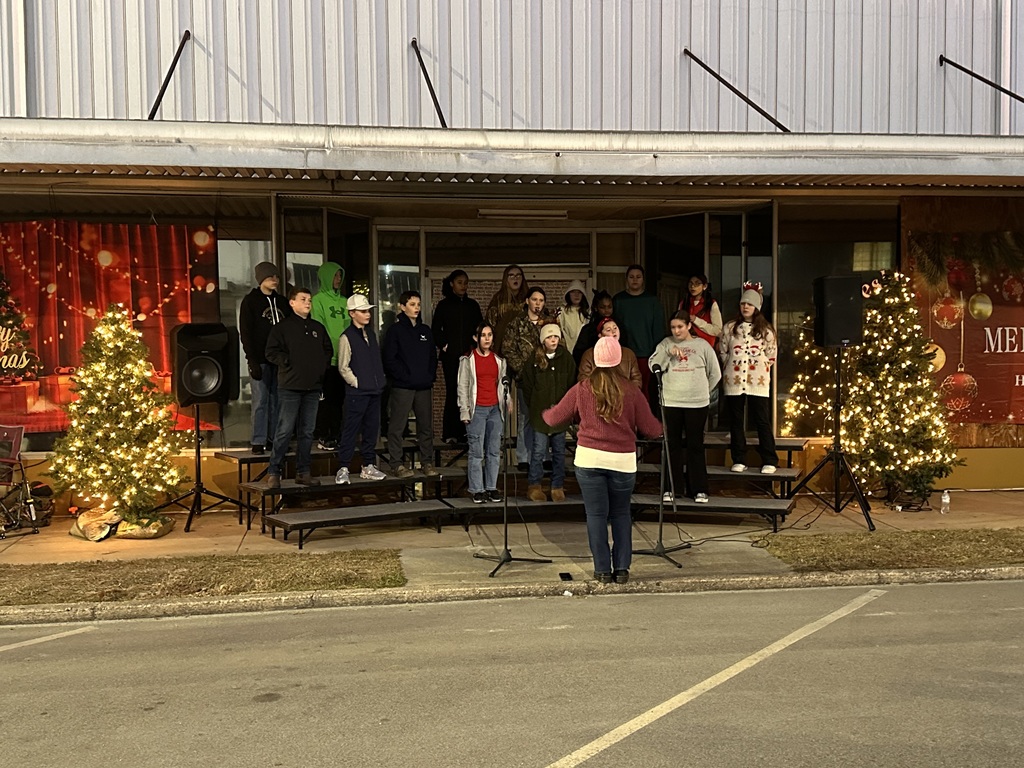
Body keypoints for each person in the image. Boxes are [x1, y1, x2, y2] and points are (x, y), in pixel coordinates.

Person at [543, 336, 663, 585]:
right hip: (622, 461)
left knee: (596, 515)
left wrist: (547, 410)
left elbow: (554, 419)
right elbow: (651, 429)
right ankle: (621, 570)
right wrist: (665, 425)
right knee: (621, 514)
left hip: (589, 459)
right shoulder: (631, 390)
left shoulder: (582, 388)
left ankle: (601, 571)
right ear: (619, 359)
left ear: (594, 360)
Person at [263, 287, 333, 488]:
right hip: (290, 386)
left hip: (312, 386)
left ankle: (303, 471)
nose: (308, 303)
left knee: (307, 431)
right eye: (303, 299)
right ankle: (274, 471)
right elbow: (270, 352)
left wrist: (320, 367)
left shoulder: (317, 327)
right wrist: (286, 362)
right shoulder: (281, 328)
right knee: (284, 430)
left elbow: (327, 350)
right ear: (292, 302)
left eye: (309, 299)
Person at [649, 310, 722, 503]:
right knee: (672, 445)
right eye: (673, 327)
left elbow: (715, 373)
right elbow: (653, 366)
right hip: (671, 401)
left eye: (680, 326)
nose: (676, 331)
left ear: (689, 326)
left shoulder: (702, 345)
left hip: (697, 403)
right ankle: (672, 488)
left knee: (695, 445)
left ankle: (699, 489)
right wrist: (667, 354)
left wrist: (702, 391)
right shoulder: (665, 344)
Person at [718, 282, 779, 474]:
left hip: (757, 381)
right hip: (734, 380)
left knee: (761, 419)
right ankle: (739, 459)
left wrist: (760, 369)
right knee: (736, 420)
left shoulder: (766, 331)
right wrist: (730, 365)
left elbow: (771, 355)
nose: (746, 307)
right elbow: (723, 351)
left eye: (750, 304)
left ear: (757, 308)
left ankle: (769, 459)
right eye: (743, 303)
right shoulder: (729, 328)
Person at [381, 290, 438, 477]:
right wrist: (404, 376)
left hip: (423, 386)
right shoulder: (395, 331)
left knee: (426, 427)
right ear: (402, 306)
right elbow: (390, 359)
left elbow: (432, 357)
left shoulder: (425, 331)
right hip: (402, 386)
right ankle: (397, 464)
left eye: (419, 305)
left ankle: (427, 462)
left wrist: (429, 376)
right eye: (412, 304)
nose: (416, 308)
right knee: (397, 427)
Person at [335, 294, 388, 484]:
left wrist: (377, 381)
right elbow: (343, 367)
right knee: (351, 429)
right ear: (352, 314)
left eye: (368, 311)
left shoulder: (371, 334)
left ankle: (368, 465)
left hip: (373, 390)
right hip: (358, 391)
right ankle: (343, 467)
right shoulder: (346, 337)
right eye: (363, 311)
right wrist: (357, 382)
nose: (368, 314)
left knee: (371, 429)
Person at [520, 324, 576, 502]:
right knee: (538, 452)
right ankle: (534, 485)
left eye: (556, 337)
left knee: (559, 452)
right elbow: (528, 386)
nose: (553, 340)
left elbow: (571, 383)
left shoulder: (565, 358)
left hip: (560, 415)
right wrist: (536, 405)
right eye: (550, 337)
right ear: (543, 340)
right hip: (540, 416)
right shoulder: (534, 360)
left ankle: (557, 486)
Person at [502, 286, 556, 470]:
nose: (538, 304)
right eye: (534, 300)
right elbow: (508, 349)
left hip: (546, 377)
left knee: (546, 416)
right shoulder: (517, 323)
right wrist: (522, 370)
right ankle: (524, 457)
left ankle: (543, 456)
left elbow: (558, 345)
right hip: (526, 378)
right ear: (527, 301)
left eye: (541, 300)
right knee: (526, 417)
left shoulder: (549, 323)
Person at [239, 261, 290, 454]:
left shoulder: (283, 302)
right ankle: (258, 440)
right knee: (260, 400)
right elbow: (246, 332)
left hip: (280, 360)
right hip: (260, 358)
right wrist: (251, 360)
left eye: (276, 277)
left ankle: (273, 439)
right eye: (270, 277)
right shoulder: (250, 301)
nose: (274, 280)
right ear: (261, 279)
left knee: (278, 400)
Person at [458, 321, 508, 504]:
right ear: (476, 338)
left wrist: (506, 401)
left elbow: (502, 385)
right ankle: (477, 489)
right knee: (477, 452)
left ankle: (491, 487)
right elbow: (462, 386)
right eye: (483, 335)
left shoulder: (498, 360)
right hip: (477, 409)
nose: (487, 339)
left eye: (490, 335)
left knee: (494, 451)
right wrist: (465, 411)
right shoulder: (468, 360)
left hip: (495, 409)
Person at [432, 270, 484, 444]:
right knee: (453, 392)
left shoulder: (472, 306)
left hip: (470, 357)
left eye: (466, 282)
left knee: (469, 393)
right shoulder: (444, 305)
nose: (463, 286)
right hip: (451, 358)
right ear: (452, 284)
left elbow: (480, 328)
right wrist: (446, 346)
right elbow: (435, 330)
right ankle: (450, 433)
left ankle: (466, 432)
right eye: (460, 282)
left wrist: (475, 348)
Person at [310, 261, 350, 451]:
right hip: (328, 359)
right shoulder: (317, 301)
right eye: (335, 275)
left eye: (340, 275)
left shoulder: (344, 301)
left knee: (341, 400)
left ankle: (338, 434)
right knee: (328, 400)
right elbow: (319, 328)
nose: (338, 279)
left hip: (346, 358)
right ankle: (325, 436)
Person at [613, 264, 665, 403]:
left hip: (646, 353)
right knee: (622, 389)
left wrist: (657, 353)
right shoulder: (619, 300)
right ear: (626, 279)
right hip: (623, 353)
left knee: (644, 389)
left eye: (638, 277)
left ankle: (644, 422)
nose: (635, 280)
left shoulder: (652, 301)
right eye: (631, 277)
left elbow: (658, 329)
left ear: (643, 279)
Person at [577, 317, 642, 388]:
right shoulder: (589, 355)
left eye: (615, 328)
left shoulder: (629, 354)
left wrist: (628, 394)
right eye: (608, 330)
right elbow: (583, 381)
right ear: (600, 335)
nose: (613, 332)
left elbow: (636, 379)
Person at [572, 290, 627, 367]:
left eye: (609, 307)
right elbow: (578, 355)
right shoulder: (588, 330)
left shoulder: (619, 327)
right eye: (602, 307)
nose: (607, 310)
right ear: (596, 308)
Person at [486, 264, 529, 355]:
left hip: (524, 346)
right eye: (511, 275)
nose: (515, 278)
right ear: (506, 278)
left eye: (518, 275)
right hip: (503, 346)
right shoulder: (498, 300)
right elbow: (490, 324)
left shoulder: (528, 299)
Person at [557, 279, 589, 355]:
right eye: (573, 292)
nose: (576, 295)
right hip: (566, 352)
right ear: (568, 294)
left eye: (579, 292)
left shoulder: (588, 313)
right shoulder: (562, 312)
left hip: (583, 353)